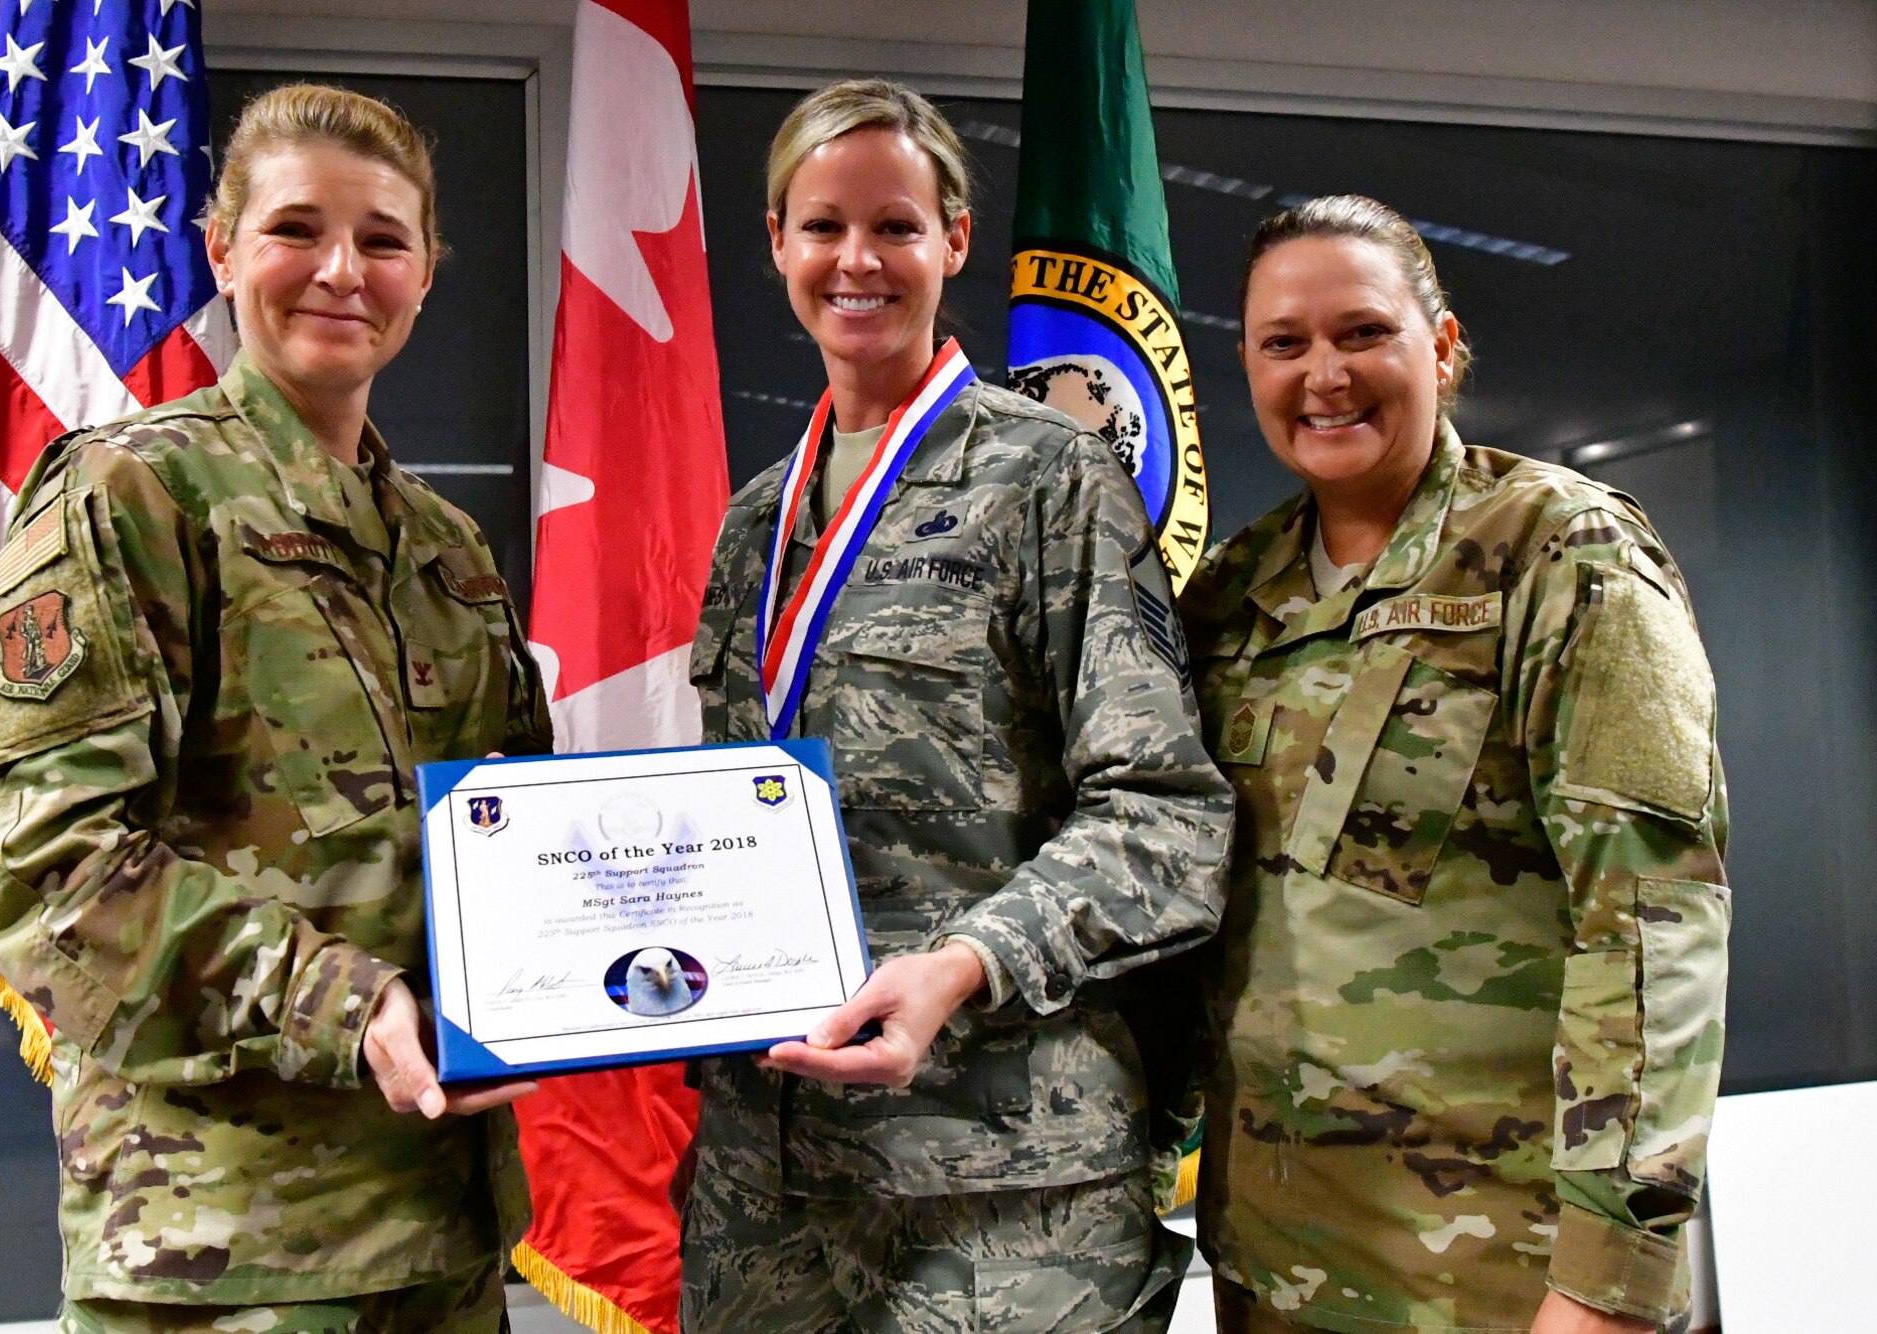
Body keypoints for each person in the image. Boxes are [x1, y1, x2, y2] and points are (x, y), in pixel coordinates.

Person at [0, 84, 549, 1333]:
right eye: (296, 230)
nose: (342, 270)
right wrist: (350, 1002)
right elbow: (45, 871)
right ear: (220, 249)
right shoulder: (129, 497)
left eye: (384, 240)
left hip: (439, 1237)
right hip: (222, 1259)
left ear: (428, 273)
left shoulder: (446, 548)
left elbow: (514, 840)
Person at [680, 78, 1233, 1333]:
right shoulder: (754, 517)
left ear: (954, 241)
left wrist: (965, 964)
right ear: (775, 244)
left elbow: (1166, 819)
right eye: (820, 227)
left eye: (895, 225)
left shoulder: (1051, 477)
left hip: (1000, 1188)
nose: (855, 260)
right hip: (766, 1188)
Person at [1178, 195, 1730, 1334]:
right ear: (1246, 364)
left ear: (1438, 343)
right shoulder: (1232, 593)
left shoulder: (1560, 553)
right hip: (1272, 1272)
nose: (1321, 374)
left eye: (1361, 332)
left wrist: (1606, 1284)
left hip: (1499, 1280)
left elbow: (1649, 929)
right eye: (1284, 343)